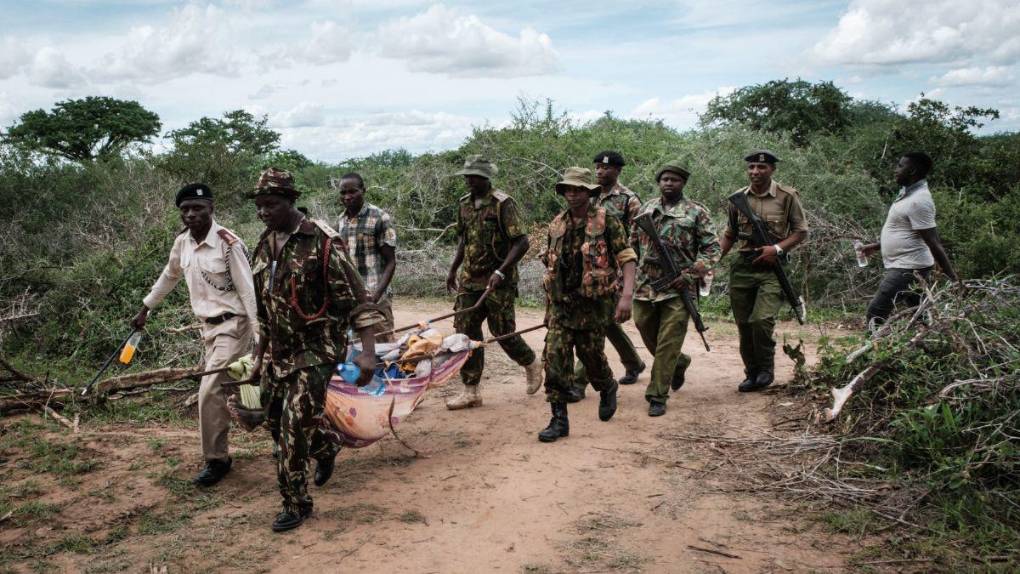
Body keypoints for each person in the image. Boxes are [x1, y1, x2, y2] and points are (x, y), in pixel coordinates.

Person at [247, 168, 383, 532]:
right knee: (275, 422)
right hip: (280, 352)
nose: (264, 212)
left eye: (271, 205)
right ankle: (325, 446)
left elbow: (359, 301)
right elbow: (264, 311)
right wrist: (257, 359)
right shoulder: (263, 245)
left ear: (291, 201)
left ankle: (296, 503)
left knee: (292, 429)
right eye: (259, 206)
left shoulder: (322, 242)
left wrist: (367, 352)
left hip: (316, 351)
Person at [133, 183, 257, 487]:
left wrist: (260, 335)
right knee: (234, 389)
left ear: (211, 209)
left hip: (234, 325)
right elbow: (169, 275)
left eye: (197, 208)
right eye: (185, 209)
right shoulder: (182, 244)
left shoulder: (229, 243)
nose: (191, 214)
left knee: (209, 391)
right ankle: (274, 421)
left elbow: (248, 291)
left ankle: (217, 460)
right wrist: (146, 307)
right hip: (207, 329)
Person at [538, 167, 637, 442]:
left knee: (591, 358)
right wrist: (549, 309)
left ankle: (607, 386)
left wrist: (626, 297)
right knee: (554, 359)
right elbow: (551, 267)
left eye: (578, 189)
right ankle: (559, 421)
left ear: (588, 192)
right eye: (568, 189)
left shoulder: (607, 221)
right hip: (562, 305)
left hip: (593, 305)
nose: (572, 194)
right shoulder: (557, 223)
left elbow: (627, 257)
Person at [444, 155, 543, 410]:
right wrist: (453, 269)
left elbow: (522, 242)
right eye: (467, 176)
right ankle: (471, 391)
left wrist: (500, 271)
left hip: (499, 280)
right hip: (470, 280)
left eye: (474, 176)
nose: (469, 180)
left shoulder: (503, 204)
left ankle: (531, 363)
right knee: (466, 334)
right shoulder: (464, 204)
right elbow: (463, 240)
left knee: (503, 332)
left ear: (486, 178)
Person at [631, 162, 720, 416]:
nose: (669, 183)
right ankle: (679, 363)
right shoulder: (646, 209)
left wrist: (691, 273)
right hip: (646, 285)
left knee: (669, 339)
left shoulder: (696, 213)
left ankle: (657, 394)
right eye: (665, 179)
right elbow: (632, 243)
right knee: (644, 327)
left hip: (679, 287)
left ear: (683, 184)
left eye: (675, 180)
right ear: (659, 182)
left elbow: (713, 249)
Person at [719, 150, 808, 392]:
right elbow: (730, 234)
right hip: (743, 266)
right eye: (751, 168)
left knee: (761, 320)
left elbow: (800, 232)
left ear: (772, 170)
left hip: (772, 267)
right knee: (744, 324)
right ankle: (752, 373)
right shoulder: (737, 198)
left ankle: (766, 369)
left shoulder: (787, 196)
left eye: (761, 167)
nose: (755, 172)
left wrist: (777, 249)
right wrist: (712, 261)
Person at [567, 151, 645, 403]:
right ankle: (633, 362)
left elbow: (636, 240)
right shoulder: (587, 194)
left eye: (606, 168)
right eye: (598, 167)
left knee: (595, 325)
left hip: (616, 271)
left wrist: (626, 280)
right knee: (606, 321)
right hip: (590, 271)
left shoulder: (628, 199)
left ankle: (579, 382)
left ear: (618, 171)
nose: (601, 171)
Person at [859, 152, 959, 328]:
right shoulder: (907, 194)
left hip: (908, 267)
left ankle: (871, 351)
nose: (895, 170)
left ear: (912, 170)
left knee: (876, 311)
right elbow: (907, 232)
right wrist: (876, 246)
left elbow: (934, 242)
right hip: (911, 265)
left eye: (900, 166)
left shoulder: (920, 201)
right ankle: (926, 346)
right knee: (920, 314)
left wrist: (953, 279)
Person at [334, 172, 398, 341]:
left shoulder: (379, 218)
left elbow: (391, 262)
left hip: (375, 297)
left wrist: (376, 296)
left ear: (363, 190)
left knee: (382, 351)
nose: (347, 197)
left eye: (352, 191)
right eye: (343, 193)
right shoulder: (341, 221)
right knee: (355, 351)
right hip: (351, 299)